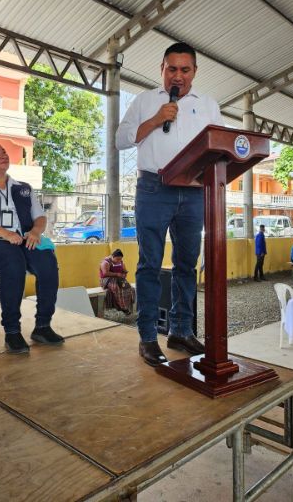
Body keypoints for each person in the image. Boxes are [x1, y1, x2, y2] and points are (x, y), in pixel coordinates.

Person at [115, 41, 223, 366]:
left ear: (194, 72)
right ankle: (148, 337)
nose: (178, 76)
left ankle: (181, 331)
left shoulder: (208, 105)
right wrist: (155, 119)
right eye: (171, 69)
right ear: (161, 69)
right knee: (149, 264)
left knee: (187, 265)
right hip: (154, 188)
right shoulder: (144, 101)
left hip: (194, 190)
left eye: (185, 70)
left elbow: (219, 145)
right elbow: (120, 140)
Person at [0, 141, 63, 354]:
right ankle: (12, 330)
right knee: (12, 260)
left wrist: (35, 232)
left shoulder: (23, 188)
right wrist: (5, 234)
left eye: (4, 152)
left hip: (21, 241)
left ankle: (43, 326)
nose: (3, 155)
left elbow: (40, 217)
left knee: (47, 262)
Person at [100, 248, 134, 314]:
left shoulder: (121, 262)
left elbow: (124, 270)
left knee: (129, 287)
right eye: (117, 259)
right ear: (112, 256)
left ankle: (126, 305)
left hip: (118, 279)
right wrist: (117, 274)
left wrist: (124, 273)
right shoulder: (106, 262)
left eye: (120, 259)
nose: (119, 260)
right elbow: (105, 273)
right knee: (117, 288)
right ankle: (121, 307)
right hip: (107, 280)